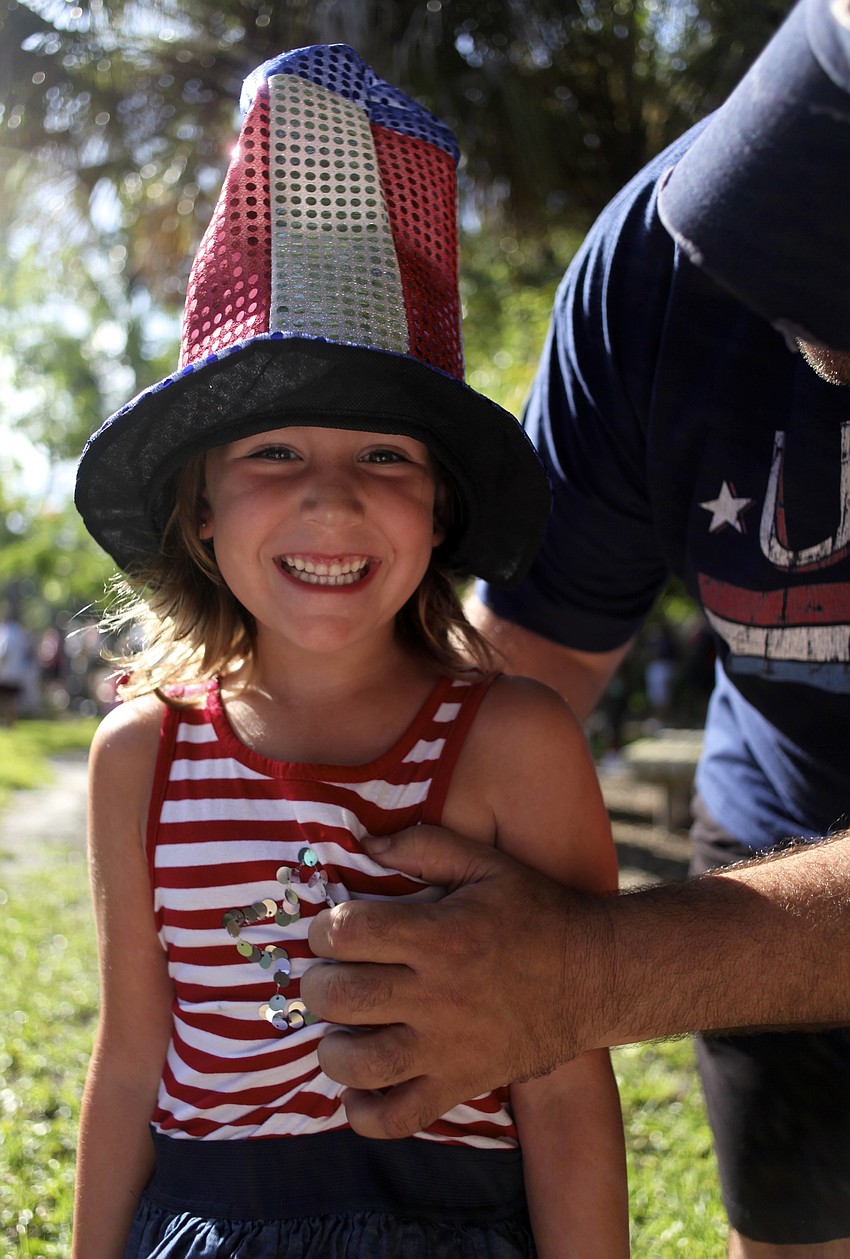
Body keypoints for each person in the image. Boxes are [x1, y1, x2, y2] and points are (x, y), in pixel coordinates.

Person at [292, 2, 850, 1255]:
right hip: (776, 837)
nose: (779, 254)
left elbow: (577, 982)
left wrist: (589, 971)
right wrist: (344, 860)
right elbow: (516, 677)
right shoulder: (666, 262)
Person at [72, 45, 628, 1259]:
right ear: (200, 510)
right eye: (274, 453)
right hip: (208, 1226)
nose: (330, 501)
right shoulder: (143, 754)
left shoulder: (512, 742)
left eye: (384, 456)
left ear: (438, 514)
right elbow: (128, 1068)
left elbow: (568, 1087)